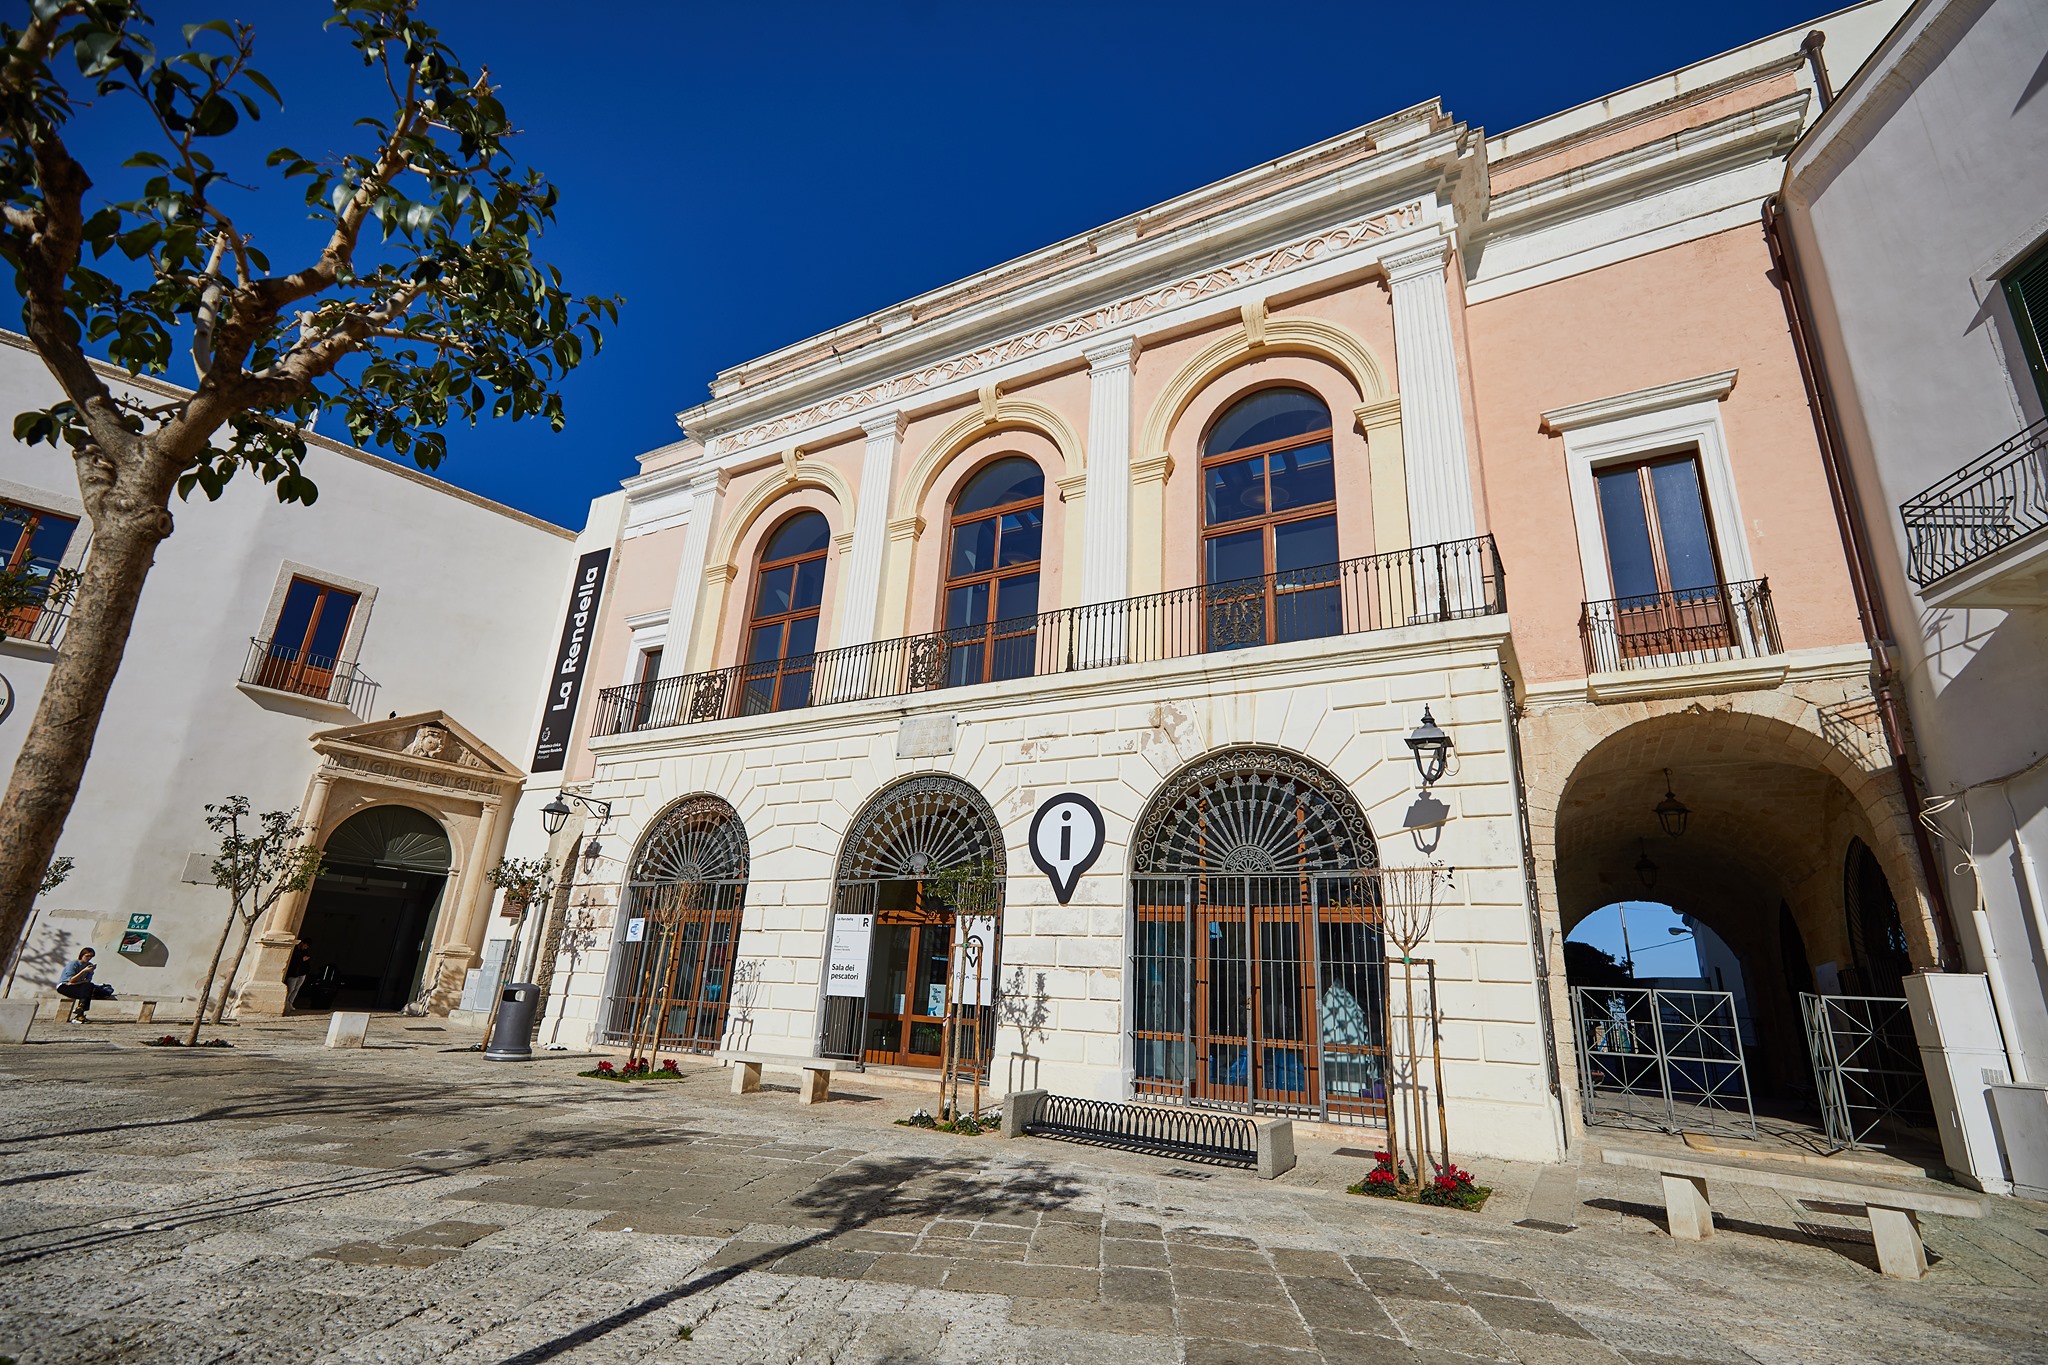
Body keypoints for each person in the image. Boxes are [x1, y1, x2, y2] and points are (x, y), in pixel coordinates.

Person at [57, 947, 99, 1023]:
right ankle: (80, 1015)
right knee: (86, 993)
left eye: (91, 956)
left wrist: (78, 982)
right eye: (87, 956)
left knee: (89, 986)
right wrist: (83, 971)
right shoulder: (73, 964)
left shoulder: (89, 965)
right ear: (82, 955)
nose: (89, 958)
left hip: (77, 985)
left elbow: (88, 980)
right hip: (64, 986)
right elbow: (70, 980)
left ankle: (80, 1008)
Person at [284, 940, 314, 1010]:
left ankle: (290, 1003)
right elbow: (292, 961)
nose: (305, 948)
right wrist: (301, 959)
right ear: (302, 943)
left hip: (302, 973)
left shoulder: (305, 952)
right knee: (291, 989)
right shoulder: (294, 950)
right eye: (305, 946)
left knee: (296, 989)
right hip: (293, 973)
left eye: (307, 947)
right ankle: (285, 1002)